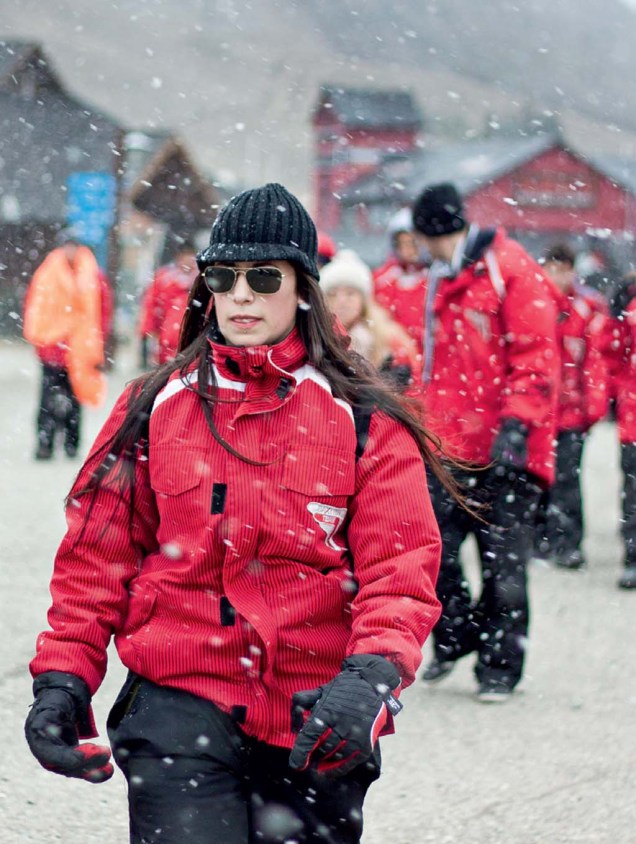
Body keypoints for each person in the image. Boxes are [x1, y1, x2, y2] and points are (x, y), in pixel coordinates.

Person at [24, 183, 449, 844]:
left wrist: (371, 677)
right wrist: (63, 678)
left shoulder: (367, 421)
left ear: (302, 288)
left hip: (316, 717)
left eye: (263, 276)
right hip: (177, 702)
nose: (241, 293)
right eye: (223, 275)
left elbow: (401, 567)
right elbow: (96, 557)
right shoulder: (150, 405)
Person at [411, 182, 560, 701]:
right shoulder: (440, 277)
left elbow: (537, 353)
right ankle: (455, 637)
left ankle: (499, 666)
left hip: (509, 446)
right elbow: (433, 366)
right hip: (452, 444)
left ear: (431, 232)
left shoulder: (509, 268)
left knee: (504, 565)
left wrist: (517, 424)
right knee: (430, 551)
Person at [22, 232, 113, 460]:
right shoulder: (47, 274)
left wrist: (98, 341)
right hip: (53, 348)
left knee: (75, 399)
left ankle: (72, 444)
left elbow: (102, 311)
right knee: (48, 400)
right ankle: (45, 443)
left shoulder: (93, 275)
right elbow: (36, 306)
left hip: (81, 347)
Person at [321, 248, 421, 389]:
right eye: (332, 294)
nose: (341, 301)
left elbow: (407, 395)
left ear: (364, 300)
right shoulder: (316, 338)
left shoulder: (390, 342)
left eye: (350, 293)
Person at [608, 272, 636, 589]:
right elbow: (612, 353)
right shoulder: (630, 304)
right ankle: (633, 557)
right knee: (633, 493)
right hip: (634, 421)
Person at [137, 241, 199, 367]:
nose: (188, 260)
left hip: (195, 343)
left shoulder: (203, 279)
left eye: (191, 256)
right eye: (185, 256)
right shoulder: (163, 279)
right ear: (178, 257)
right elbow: (151, 307)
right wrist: (146, 335)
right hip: (167, 343)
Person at [372, 225, 429, 360]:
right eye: (401, 244)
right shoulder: (383, 280)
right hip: (395, 358)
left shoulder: (435, 280)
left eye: (412, 243)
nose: (406, 250)